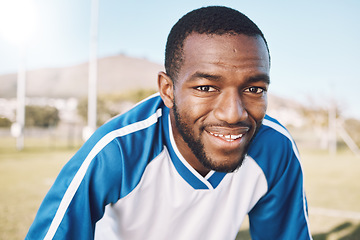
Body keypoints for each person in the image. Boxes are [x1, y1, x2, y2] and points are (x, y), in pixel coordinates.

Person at [26, 6, 312, 240]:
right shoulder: (117, 151)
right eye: (206, 88)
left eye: (254, 89)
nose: (233, 114)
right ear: (167, 90)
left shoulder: (274, 148)